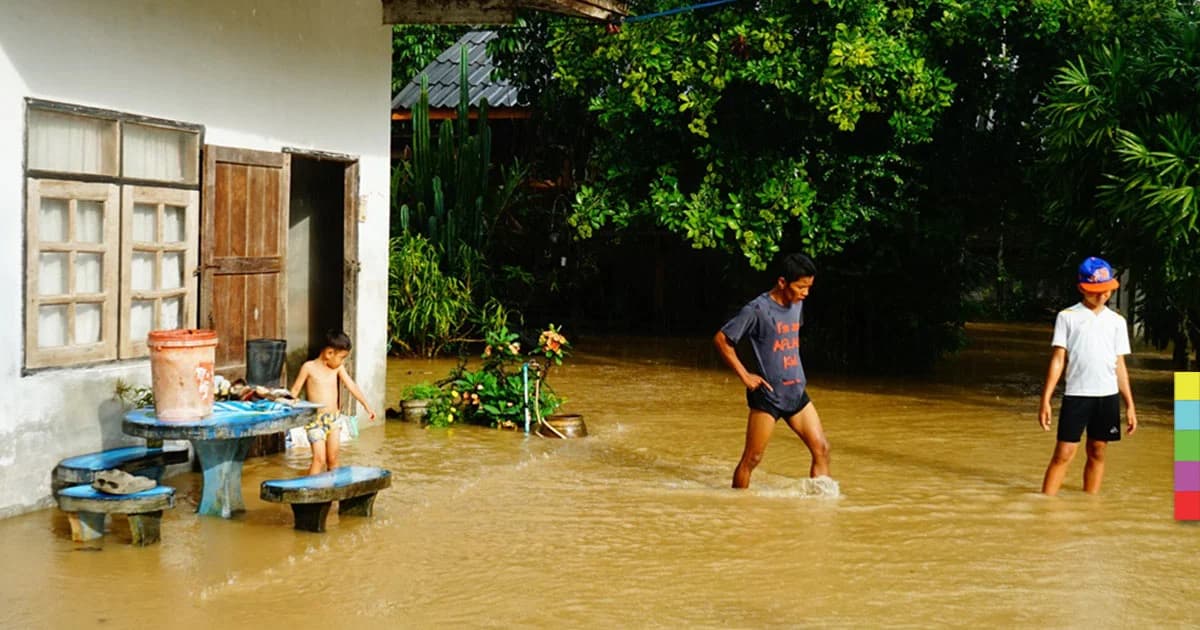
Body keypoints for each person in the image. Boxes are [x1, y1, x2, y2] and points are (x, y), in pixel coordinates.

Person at [714, 253, 831, 489]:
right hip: (768, 397)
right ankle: (737, 509)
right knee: (752, 459)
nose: (805, 293)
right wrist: (745, 375)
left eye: (809, 287)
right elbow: (721, 340)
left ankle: (820, 513)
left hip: (796, 393)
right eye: (801, 287)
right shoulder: (756, 310)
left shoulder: (797, 305)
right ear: (782, 282)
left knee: (822, 449)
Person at [1038, 256, 1137, 495]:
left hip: (1108, 396)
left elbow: (1120, 365)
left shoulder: (1116, 322)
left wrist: (1130, 405)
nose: (1102, 296)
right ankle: (1044, 506)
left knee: (1098, 450)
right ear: (1081, 288)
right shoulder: (1067, 317)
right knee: (1064, 453)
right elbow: (1058, 360)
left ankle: (1090, 503)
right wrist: (1046, 400)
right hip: (1077, 395)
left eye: (1106, 291)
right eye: (1096, 291)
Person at [290, 330, 376, 475]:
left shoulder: (338, 369)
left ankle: (332, 494)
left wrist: (366, 406)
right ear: (329, 353)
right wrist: (288, 407)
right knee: (319, 459)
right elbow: (295, 390)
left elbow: (351, 386)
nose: (342, 362)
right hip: (314, 421)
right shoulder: (308, 367)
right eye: (342, 358)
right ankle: (311, 493)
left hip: (334, 420)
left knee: (333, 459)